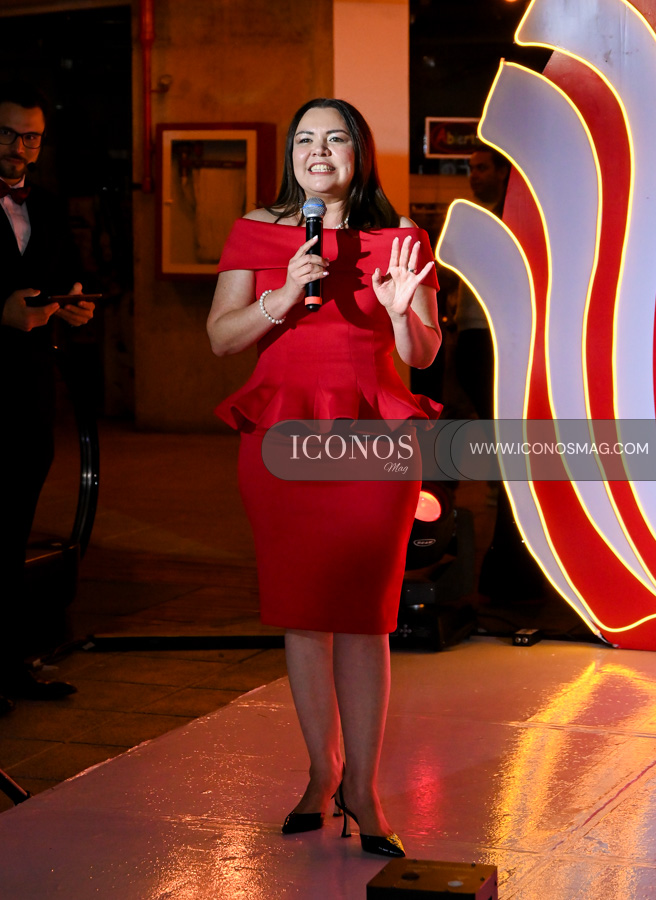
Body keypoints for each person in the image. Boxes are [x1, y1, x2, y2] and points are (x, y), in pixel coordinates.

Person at [207, 98, 442, 858]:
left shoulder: (400, 237)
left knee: (365, 617)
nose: (319, 150)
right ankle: (320, 772)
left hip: (374, 443)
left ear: (358, 153)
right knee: (303, 614)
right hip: (281, 437)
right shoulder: (256, 230)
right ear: (291, 155)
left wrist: (405, 313)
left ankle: (364, 789)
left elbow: (426, 352)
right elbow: (220, 338)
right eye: (305, 138)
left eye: (334, 137)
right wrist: (278, 299)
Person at [0, 82, 95, 714]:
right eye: (8, 133)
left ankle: (10, 665)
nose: (20, 148)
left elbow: (63, 278)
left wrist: (73, 304)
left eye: (31, 136)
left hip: (28, 391)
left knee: (14, 531)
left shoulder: (51, 206)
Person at [453, 145, 510, 421]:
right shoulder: (472, 214)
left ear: (502, 172)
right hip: (467, 326)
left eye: (482, 168)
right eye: (471, 168)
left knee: (492, 411)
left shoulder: (510, 216)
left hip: (494, 329)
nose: (473, 175)